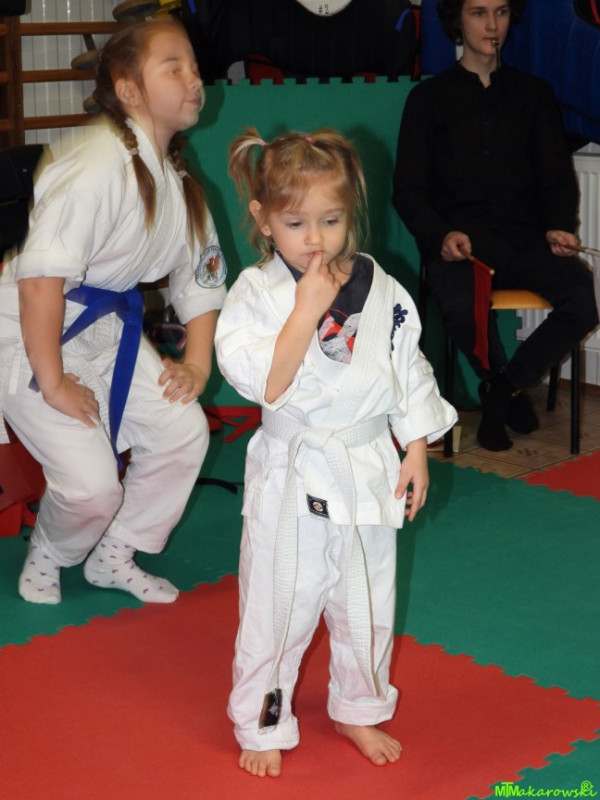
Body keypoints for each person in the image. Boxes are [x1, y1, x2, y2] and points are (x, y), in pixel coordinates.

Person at [215, 127, 456, 778]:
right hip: (293, 477)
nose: (315, 238)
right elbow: (266, 383)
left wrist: (416, 445)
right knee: (279, 606)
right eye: (296, 223)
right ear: (264, 220)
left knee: (366, 603)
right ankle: (263, 720)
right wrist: (305, 311)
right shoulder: (257, 294)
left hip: (366, 467)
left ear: (351, 213)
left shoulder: (381, 286)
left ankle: (358, 706)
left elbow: (408, 368)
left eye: (331, 219)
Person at [0, 19, 227, 605]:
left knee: (183, 431)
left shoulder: (179, 181)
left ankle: (115, 553)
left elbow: (201, 283)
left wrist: (197, 366)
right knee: (93, 487)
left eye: (194, 67)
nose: (194, 79)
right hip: (27, 331)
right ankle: (50, 551)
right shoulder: (97, 165)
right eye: (173, 67)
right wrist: (53, 382)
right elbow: (39, 283)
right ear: (128, 90)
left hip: (104, 330)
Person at [393, 0, 599, 451]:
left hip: (524, 241)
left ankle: (502, 390)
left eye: (501, 13)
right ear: (457, 20)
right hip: (461, 247)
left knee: (581, 297)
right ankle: (507, 390)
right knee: (462, 306)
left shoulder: (534, 94)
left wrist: (559, 226)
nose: (492, 25)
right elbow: (408, 191)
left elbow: (555, 178)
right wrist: (441, 236)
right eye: (479, 13)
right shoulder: (427, 100)